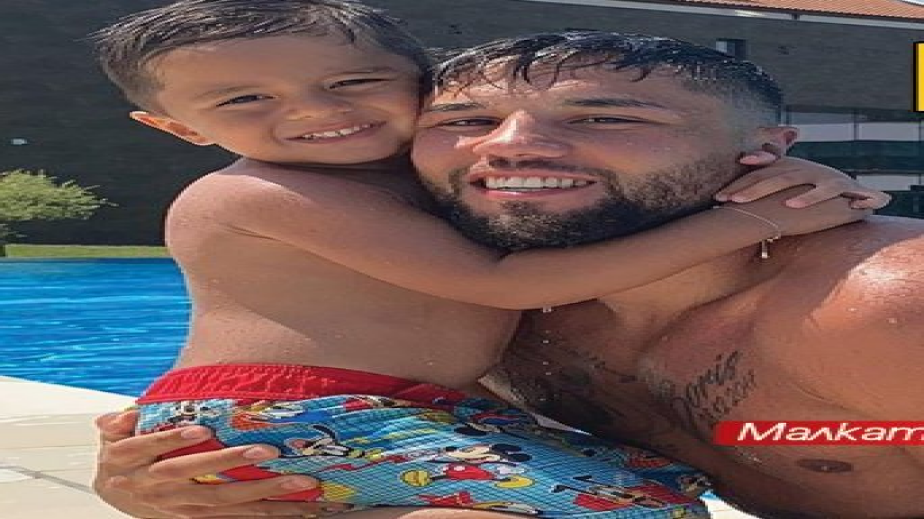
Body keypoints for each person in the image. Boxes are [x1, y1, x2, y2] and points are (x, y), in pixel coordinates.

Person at [91, 13, 903, 519]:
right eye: (468, 120)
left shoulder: (886, 307)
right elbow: (492, 289)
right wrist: (170, 485)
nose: (509, 147)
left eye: (604, 117)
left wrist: (773, 192)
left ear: (764, 150)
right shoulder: (509, 304)